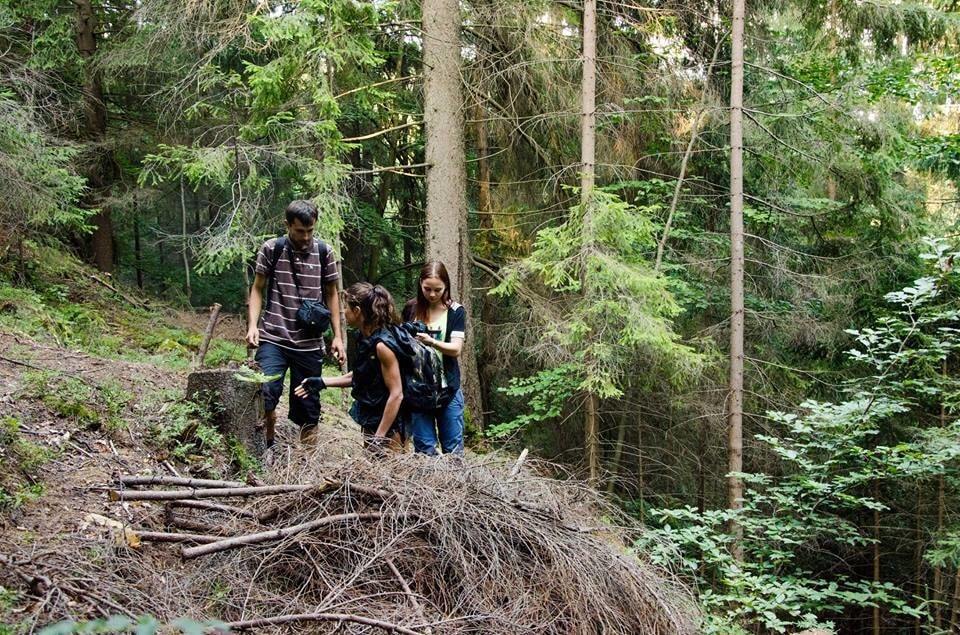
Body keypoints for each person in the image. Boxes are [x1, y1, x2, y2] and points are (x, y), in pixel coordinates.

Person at [246, 200, 345, 451]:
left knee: (308, 406)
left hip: (310, 343)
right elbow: (257, 289)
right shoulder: (272, 249)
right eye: (300, 231)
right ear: (288, 225)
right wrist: (253, 326)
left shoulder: (325, 252)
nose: (306, 236)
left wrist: (337, 336)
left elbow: (333, 294)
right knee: (265, 393)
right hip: (274, 336)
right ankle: (265, 448)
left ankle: (305, 464)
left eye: (310, 230)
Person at [295, 283, 404, 450]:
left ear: (357, 311)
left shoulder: (383, 345)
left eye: (346, 307)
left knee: (391, 474)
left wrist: (379, 436)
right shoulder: (364, 338)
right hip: (372, 417)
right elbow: (360, 376)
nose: (343, 312)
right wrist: (321, 382)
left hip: (391, 426)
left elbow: (396, 394)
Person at [402, 261, 466, 456]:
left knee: (454, 450)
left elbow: (456, 349)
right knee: (424, 449)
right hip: (418, 389)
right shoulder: (411, 309)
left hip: (448, 389)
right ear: (420, 284)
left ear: (446, 286)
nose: (432, 294)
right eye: (427, 289)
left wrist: (431, 341)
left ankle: (456, 486)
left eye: (437, 289)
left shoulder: (455, 311)